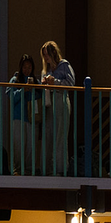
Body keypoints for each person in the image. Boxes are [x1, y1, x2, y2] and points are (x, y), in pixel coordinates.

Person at [40, 40, 76, 173]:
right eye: (44, 55)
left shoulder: (64, 65)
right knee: (48, 135)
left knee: (60, 135)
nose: (46, 57)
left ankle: (61, 169)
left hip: (61, 100)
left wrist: (55, 81)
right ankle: (47, 168)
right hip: (49, 103)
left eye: (47, 54)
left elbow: (71, 83)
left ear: (53, 53)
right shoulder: (46, 70)